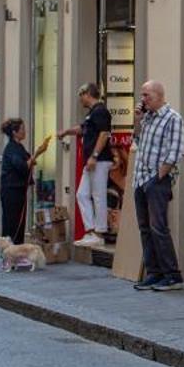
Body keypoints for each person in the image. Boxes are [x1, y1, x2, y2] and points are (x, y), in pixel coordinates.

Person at [128, 82, 184, 294]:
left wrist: (159, 176)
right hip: (140, 178)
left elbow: (175, 151)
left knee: (159, 227)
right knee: (145, 228)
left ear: (159, 94)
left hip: (156, 180)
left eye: (146, 94)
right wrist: (137, 121)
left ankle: (172, 275)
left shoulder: (172, 118)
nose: (142, 99)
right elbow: (137, 141)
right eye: (142, 95)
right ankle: (154, 273)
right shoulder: (148, 118)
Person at [58, 83, 114, 249]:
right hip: (92, 161)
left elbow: (104, 134)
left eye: (81, 95)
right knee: (82, 194)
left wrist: (94, 156)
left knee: (98, 195)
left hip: (99, 160)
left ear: (88, 93)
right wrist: (66, 132)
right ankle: (91, 230)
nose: (80, 99)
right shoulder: (92, 113)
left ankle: (99, 233)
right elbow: (83, 129)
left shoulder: (101, 111)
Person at [0, 117, 34, 245]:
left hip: (18, 189)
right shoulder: (12, 148)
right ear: (14, 132)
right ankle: (9, 253)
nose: (25, 132)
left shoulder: (19, 147)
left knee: (19, 222)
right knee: (12, 223)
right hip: (11, 191)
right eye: (22, 129)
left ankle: (17, 251)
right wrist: (36, 154)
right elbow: (22, 166)